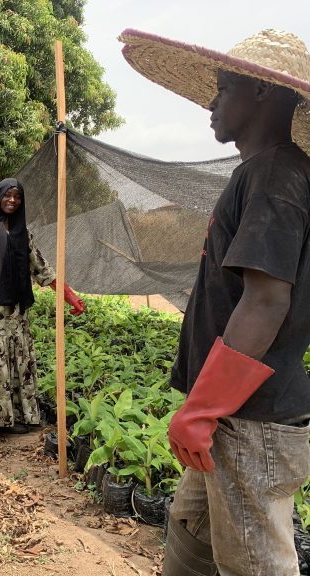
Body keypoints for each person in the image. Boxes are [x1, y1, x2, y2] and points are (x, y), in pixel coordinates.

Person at [120, 29, 310, 575]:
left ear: (261, 93)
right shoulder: (264, 173)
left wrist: (202, 409)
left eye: (222, 88)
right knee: (191, 538)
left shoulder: (275, 176)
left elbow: (267, 300)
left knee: (256, 564)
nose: (210, 102)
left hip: (250, 418)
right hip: (237, 416)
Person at [0, 174, 85, 450]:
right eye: (7, 195)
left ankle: (12, 418)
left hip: (18, 312)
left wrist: (69, 295)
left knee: (17, 359)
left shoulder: (24, 232)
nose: (12, 200)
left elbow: (42, 269)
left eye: (17, 196)